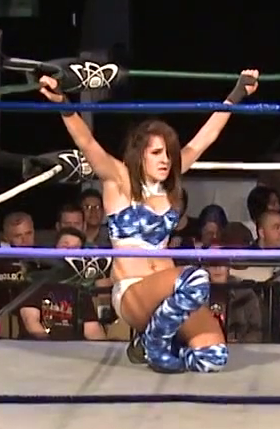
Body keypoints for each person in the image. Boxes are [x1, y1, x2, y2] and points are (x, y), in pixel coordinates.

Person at [39, 68, 259, 373]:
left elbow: (204, 139)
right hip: (134, 291)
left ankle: (157, 341)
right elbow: (87, 142)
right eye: (157, 153)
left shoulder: (170, 184)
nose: (165, 159)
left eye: (168, 153)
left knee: (213, 358)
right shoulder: (119, 180)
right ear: (140, 154)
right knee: (196, 278)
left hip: (173, 296)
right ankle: (155, 343)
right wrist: (63, 102)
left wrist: (237, 94)